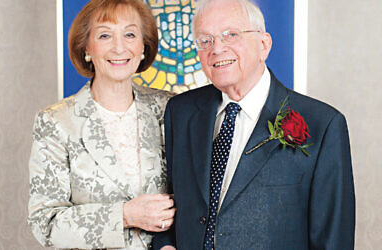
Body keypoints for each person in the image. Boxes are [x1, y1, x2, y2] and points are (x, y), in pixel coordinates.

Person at [153, 0, 355, 249]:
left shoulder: (322, 124)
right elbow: (169, 201)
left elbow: (333, 239)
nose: (216, 49)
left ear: (264, 45)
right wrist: (164, 245)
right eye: (205, 40)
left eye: (230, 35)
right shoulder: (181, 111)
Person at [28, 0, 175, 249]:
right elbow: (46, 224)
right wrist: (125, 216)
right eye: (105, 35)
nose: (119, 47)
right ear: (87, 47)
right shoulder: (56, 122)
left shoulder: (170, 109)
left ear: (143, 47)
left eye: (130, 34)